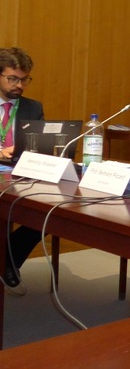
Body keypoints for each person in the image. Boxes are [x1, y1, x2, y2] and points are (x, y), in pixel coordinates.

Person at [0, 47, 45, 288]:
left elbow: (39, 145)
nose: (19, 85)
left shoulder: (32, 107)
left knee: (49, 212)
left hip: (21, 176)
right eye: (12, 79)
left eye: (24, 79)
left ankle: (9, 259)